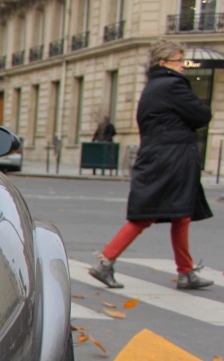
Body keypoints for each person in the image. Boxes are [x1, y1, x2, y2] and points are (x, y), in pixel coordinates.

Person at [89, 41, 212, 291]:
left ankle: (186, 272)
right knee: (148, 214)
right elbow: (201, 115)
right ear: (163, 63)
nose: (183, 66)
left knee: (180, 214)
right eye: (179, 60)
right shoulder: (173, 85)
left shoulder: (153, 86)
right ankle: (105, 261)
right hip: (172, 159)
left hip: (161, 156)